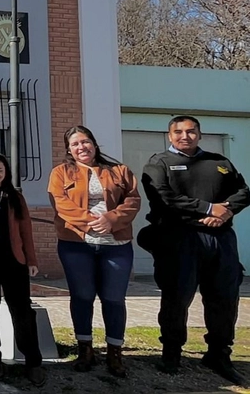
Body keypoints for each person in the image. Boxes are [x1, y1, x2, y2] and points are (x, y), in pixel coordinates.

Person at [141, 115, 249, 384]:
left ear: (200, 134)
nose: (185, 136)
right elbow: (164, 197)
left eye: (191, 132)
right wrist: (209, 208)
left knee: (225, 299)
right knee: (177, 298)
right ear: (170, 135)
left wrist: (225, 213)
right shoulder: (159, 163)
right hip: (180, 239)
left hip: (221, 239)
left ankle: (219, 354)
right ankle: (172, 353)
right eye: (178, 132)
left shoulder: (219, 162)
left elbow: (243, 192)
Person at [48, 126, 140, 378]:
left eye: (86, 142)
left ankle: (114, 351)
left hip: (116, 245)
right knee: (82, 296)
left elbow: (133, 200)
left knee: (113, 298)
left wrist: (111, 219)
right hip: (77, 244)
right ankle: (85, 349)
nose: (81, 147)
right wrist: (91, 220)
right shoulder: (60, 173)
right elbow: (60, 203)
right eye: (75, 144)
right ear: (68, 149)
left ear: (95, 144)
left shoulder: (119, 171)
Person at [0, 152, 46, 386]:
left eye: (0, 170)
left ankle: (33, 361)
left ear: (7, 173)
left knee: (22, 310)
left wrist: (31, 260)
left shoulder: (15, 196)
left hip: (13, 261)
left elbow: (26, 230)